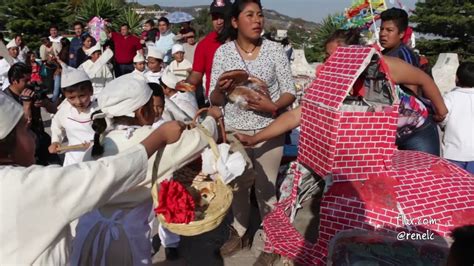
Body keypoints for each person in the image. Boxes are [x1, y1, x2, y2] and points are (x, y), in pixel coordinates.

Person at [0, 91, 187, 265]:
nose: (33, 137)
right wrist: (160, 137)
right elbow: (107, 173)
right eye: (25, 131)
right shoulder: (31, 186)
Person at [71, 73, 222, 265]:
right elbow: (199, 140)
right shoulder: (152, 140)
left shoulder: (98, 145)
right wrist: (211, 117)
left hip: (87, 230)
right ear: (142, 111)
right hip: (124, 237)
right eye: (153, 106)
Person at [236, 33, 448, 156]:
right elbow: (295, 116)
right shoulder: (331, 81)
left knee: (419, 182)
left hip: (417, 132)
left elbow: (423, 79)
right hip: (383, 142)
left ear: (354, 53)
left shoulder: (386, 67)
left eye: (333, 56)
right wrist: (255, 138)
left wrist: (441, 111)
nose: (328, 62)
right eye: (327, 57)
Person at [209, 0, 296, 259]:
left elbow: (289, 90)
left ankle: (271, 239)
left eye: (260, 14)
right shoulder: (223, 53)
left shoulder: (275, 50)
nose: (258, 20)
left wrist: (273, 105)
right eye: (250, 15)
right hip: (234, 131)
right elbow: (214, 99)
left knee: (267, 187)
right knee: (238, 185)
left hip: (270, 129)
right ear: (235, 22)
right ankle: (239, 231)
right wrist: (221, 89)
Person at [3, 63, 58, 165]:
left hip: (41, 137)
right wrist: (26, 105)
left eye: (30, 79)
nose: (29, 83)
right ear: (14, 81)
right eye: (26, 80)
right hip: (22, 146)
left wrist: (45, 103)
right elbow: (24, 126)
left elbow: (55, 110)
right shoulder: (5, 100)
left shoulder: (33, 89)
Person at [185, 0, 231, 106]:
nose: (219, 22)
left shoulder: (243, 40)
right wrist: (181, 87)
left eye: (222, 17)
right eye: (215, 17)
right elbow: (196, 76)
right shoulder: (204, 44)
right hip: (217, 105)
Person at [48, 66, 97, 166]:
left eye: (82, 96)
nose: (78, 102)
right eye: (71, 98)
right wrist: (56, 141)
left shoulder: (100, 109)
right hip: (74, 161)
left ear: (91, 91)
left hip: (98, 160)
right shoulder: (65, 110)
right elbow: (56, 124)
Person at [440, 62, 474, 174]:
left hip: (453, 154)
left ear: (456, 78)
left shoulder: (450, 98)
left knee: (455, 188)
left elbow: (442, 118)